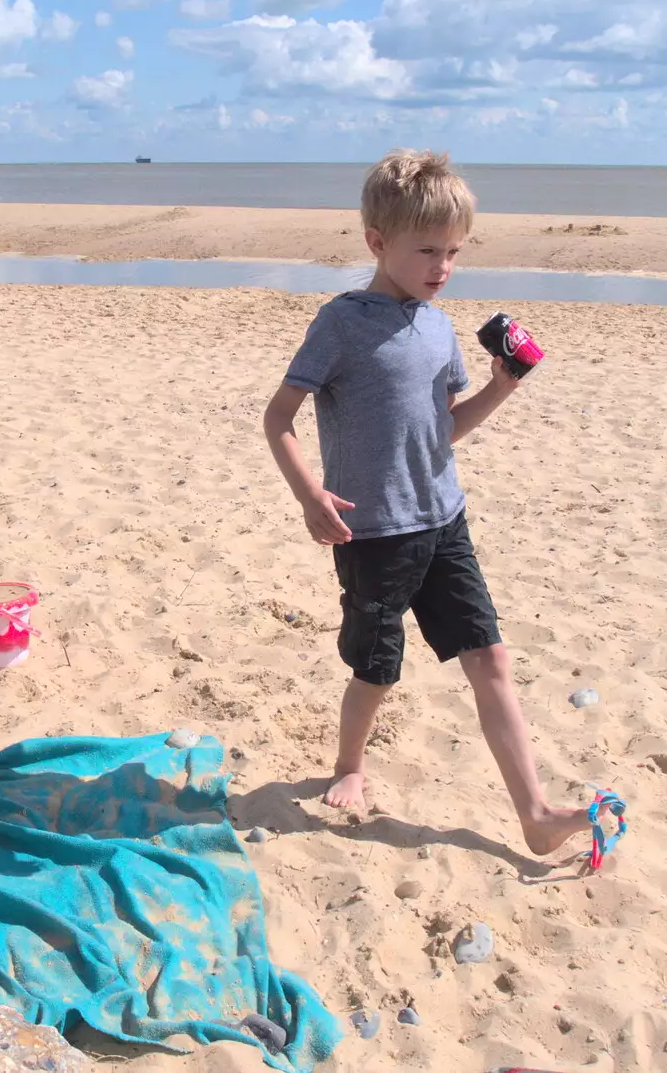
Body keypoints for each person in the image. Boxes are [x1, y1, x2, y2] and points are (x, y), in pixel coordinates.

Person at [262, 150, 594, 859]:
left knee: (491, 660)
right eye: (427, 251)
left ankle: (534, 813)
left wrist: (501, 388)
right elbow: (279, 417)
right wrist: (309, 494)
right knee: (376, 667)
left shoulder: (440, 327)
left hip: (444, 519)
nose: (443, 267)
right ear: (377, 243)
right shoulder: (341, 323)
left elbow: (443, 429)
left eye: (454, 253)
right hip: (374, 531)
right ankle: (351, 763)